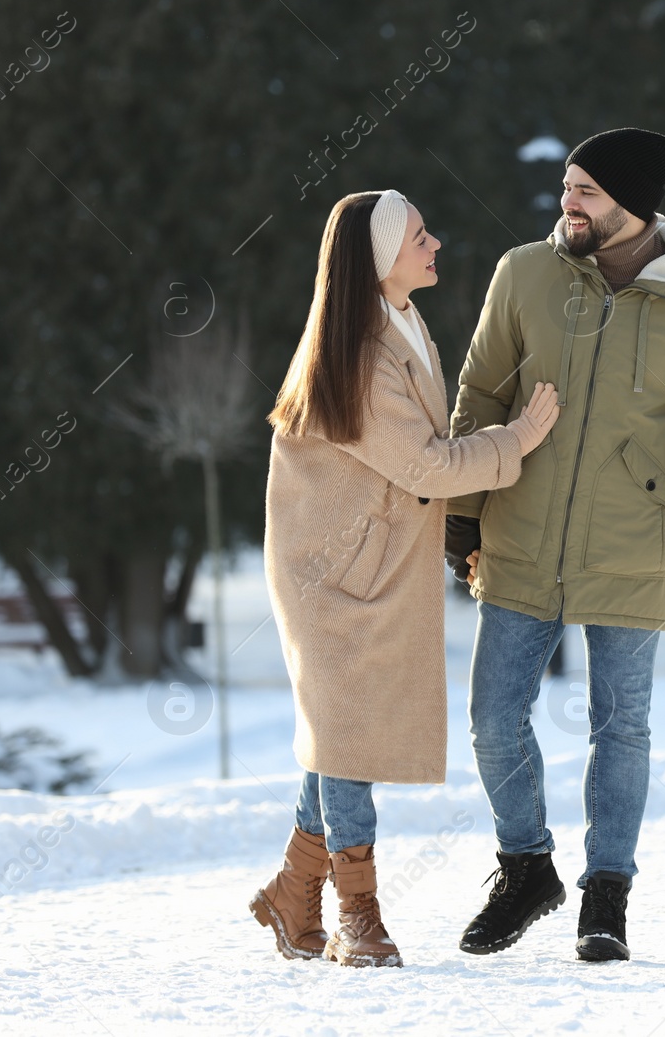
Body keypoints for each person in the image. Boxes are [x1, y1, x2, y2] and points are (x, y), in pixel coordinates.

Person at [443, 128, 665, 962]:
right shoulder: (525, 273)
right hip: (521, 530)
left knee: (620, 728)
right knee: (490, 718)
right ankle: (526, 868)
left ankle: (607, 894)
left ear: (633, 203)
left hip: (632, 540)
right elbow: (481, 392)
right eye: (566, 186)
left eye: (585, 190)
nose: (567, 203)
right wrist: (463, 510)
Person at [252, 189, 560, 967]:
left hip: (369, 564)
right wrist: (517, 436)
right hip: (333, 575)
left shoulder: (400, 326)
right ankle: (358, 912)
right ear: (382, 257)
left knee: (337, 731)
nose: (436, 243)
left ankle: (295, 891)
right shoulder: (360, 352)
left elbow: (416, 457)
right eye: (420, 235)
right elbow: (425, 463)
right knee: (348, 735)